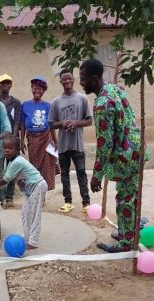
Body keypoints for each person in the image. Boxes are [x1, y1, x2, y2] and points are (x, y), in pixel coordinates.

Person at [79, 58, 149, 253]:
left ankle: (126, 244)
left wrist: (97, 176)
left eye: (83, 79)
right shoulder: (114, 89)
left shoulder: (102, 104)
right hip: (137, 149)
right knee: (131, 195)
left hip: (126, 157)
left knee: (124, 199)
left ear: (94, 78)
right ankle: (128, 233)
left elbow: (105, 144)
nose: (81, 83)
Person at [0, 136, 48, 250]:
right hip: (30, 190)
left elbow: (6, 179)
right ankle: (26, 236)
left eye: (10, 148)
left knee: (34, 214)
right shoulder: (10, 163)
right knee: (25, 213)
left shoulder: (17, 162)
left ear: (17, 150)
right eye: (4, 148)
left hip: (37, 186)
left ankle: (33, 241)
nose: (6, 150)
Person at [49, 69, 92, 213]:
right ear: (61, 82)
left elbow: (89, 121)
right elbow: (51, 124)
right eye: (64, 79)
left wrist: (75, 123)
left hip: (78, 143)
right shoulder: (56, 102)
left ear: (73, 80)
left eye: (69, 78)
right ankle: (68, 201)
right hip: (63, 144)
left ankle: (86, 203)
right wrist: (62, 123)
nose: (67, 81)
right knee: (64, 174)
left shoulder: (82, 98)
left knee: (81, 172)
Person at [21, 76, 58, 191]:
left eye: (40, 89)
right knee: (34, 167)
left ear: (44, 91)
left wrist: (55, 141)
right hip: (32, 139)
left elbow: (51, 124)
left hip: (46, 137)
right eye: (35, 88)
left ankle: (43, 195)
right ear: (32, 89)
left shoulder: (47, 106)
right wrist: (22, 141)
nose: (37, 91)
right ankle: (35, 191)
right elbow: (22, 124)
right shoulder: (25, 105)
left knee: (47, 167)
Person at [0, 74, 22, 209]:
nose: (5, 85)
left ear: (11, 85)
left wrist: (14, 138)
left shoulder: (15, 102)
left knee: (13, 168)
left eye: (8, 83)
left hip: (12, 141)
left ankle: (9, 196)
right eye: (2, 83)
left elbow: (17, 121)